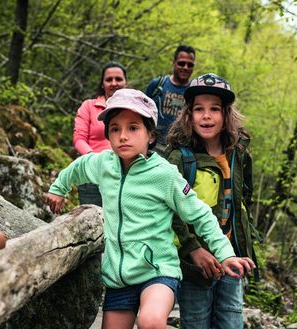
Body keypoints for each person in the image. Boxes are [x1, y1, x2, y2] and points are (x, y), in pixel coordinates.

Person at [45, 88, 255, 329]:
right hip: (118, 278)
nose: (123, 136)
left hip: (158, 272)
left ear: (151, 136)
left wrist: (225, 254)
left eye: (133, 128)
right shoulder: (103, 163)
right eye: (115, 129)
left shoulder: (164, 174)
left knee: (151, 321)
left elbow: (200, 214)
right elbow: (78, 167)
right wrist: (58, 189)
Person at [166, 73, 256, 329]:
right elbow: (167, 210)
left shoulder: (238, 153)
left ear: (226, 114)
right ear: (189, 115)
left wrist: (245, 244)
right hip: (197, 264)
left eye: (214, 109)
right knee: (196, 323)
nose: (206, 116)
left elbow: (244, 199)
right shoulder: (179, 158)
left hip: (231, 255)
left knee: (231, 322)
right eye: (199, 109)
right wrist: (193, 250)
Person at [73, 61, 127, 206]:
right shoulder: (89, 106)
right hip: (92, 176)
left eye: (118, 79)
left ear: (125, 83)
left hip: (125, 175)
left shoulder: (133, 110)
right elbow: (79, 139)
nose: (114, 83)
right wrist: (95, 159)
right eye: (109, 79)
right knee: (93, 222)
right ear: (102, 84)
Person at [145, 45, 196, 154]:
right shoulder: (158, 85)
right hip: (155, 145)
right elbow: (144, 114)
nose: (185, 67)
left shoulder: (194, 90)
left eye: (190, 64)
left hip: (182, 148)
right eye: (181, 63)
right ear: (174, 62)